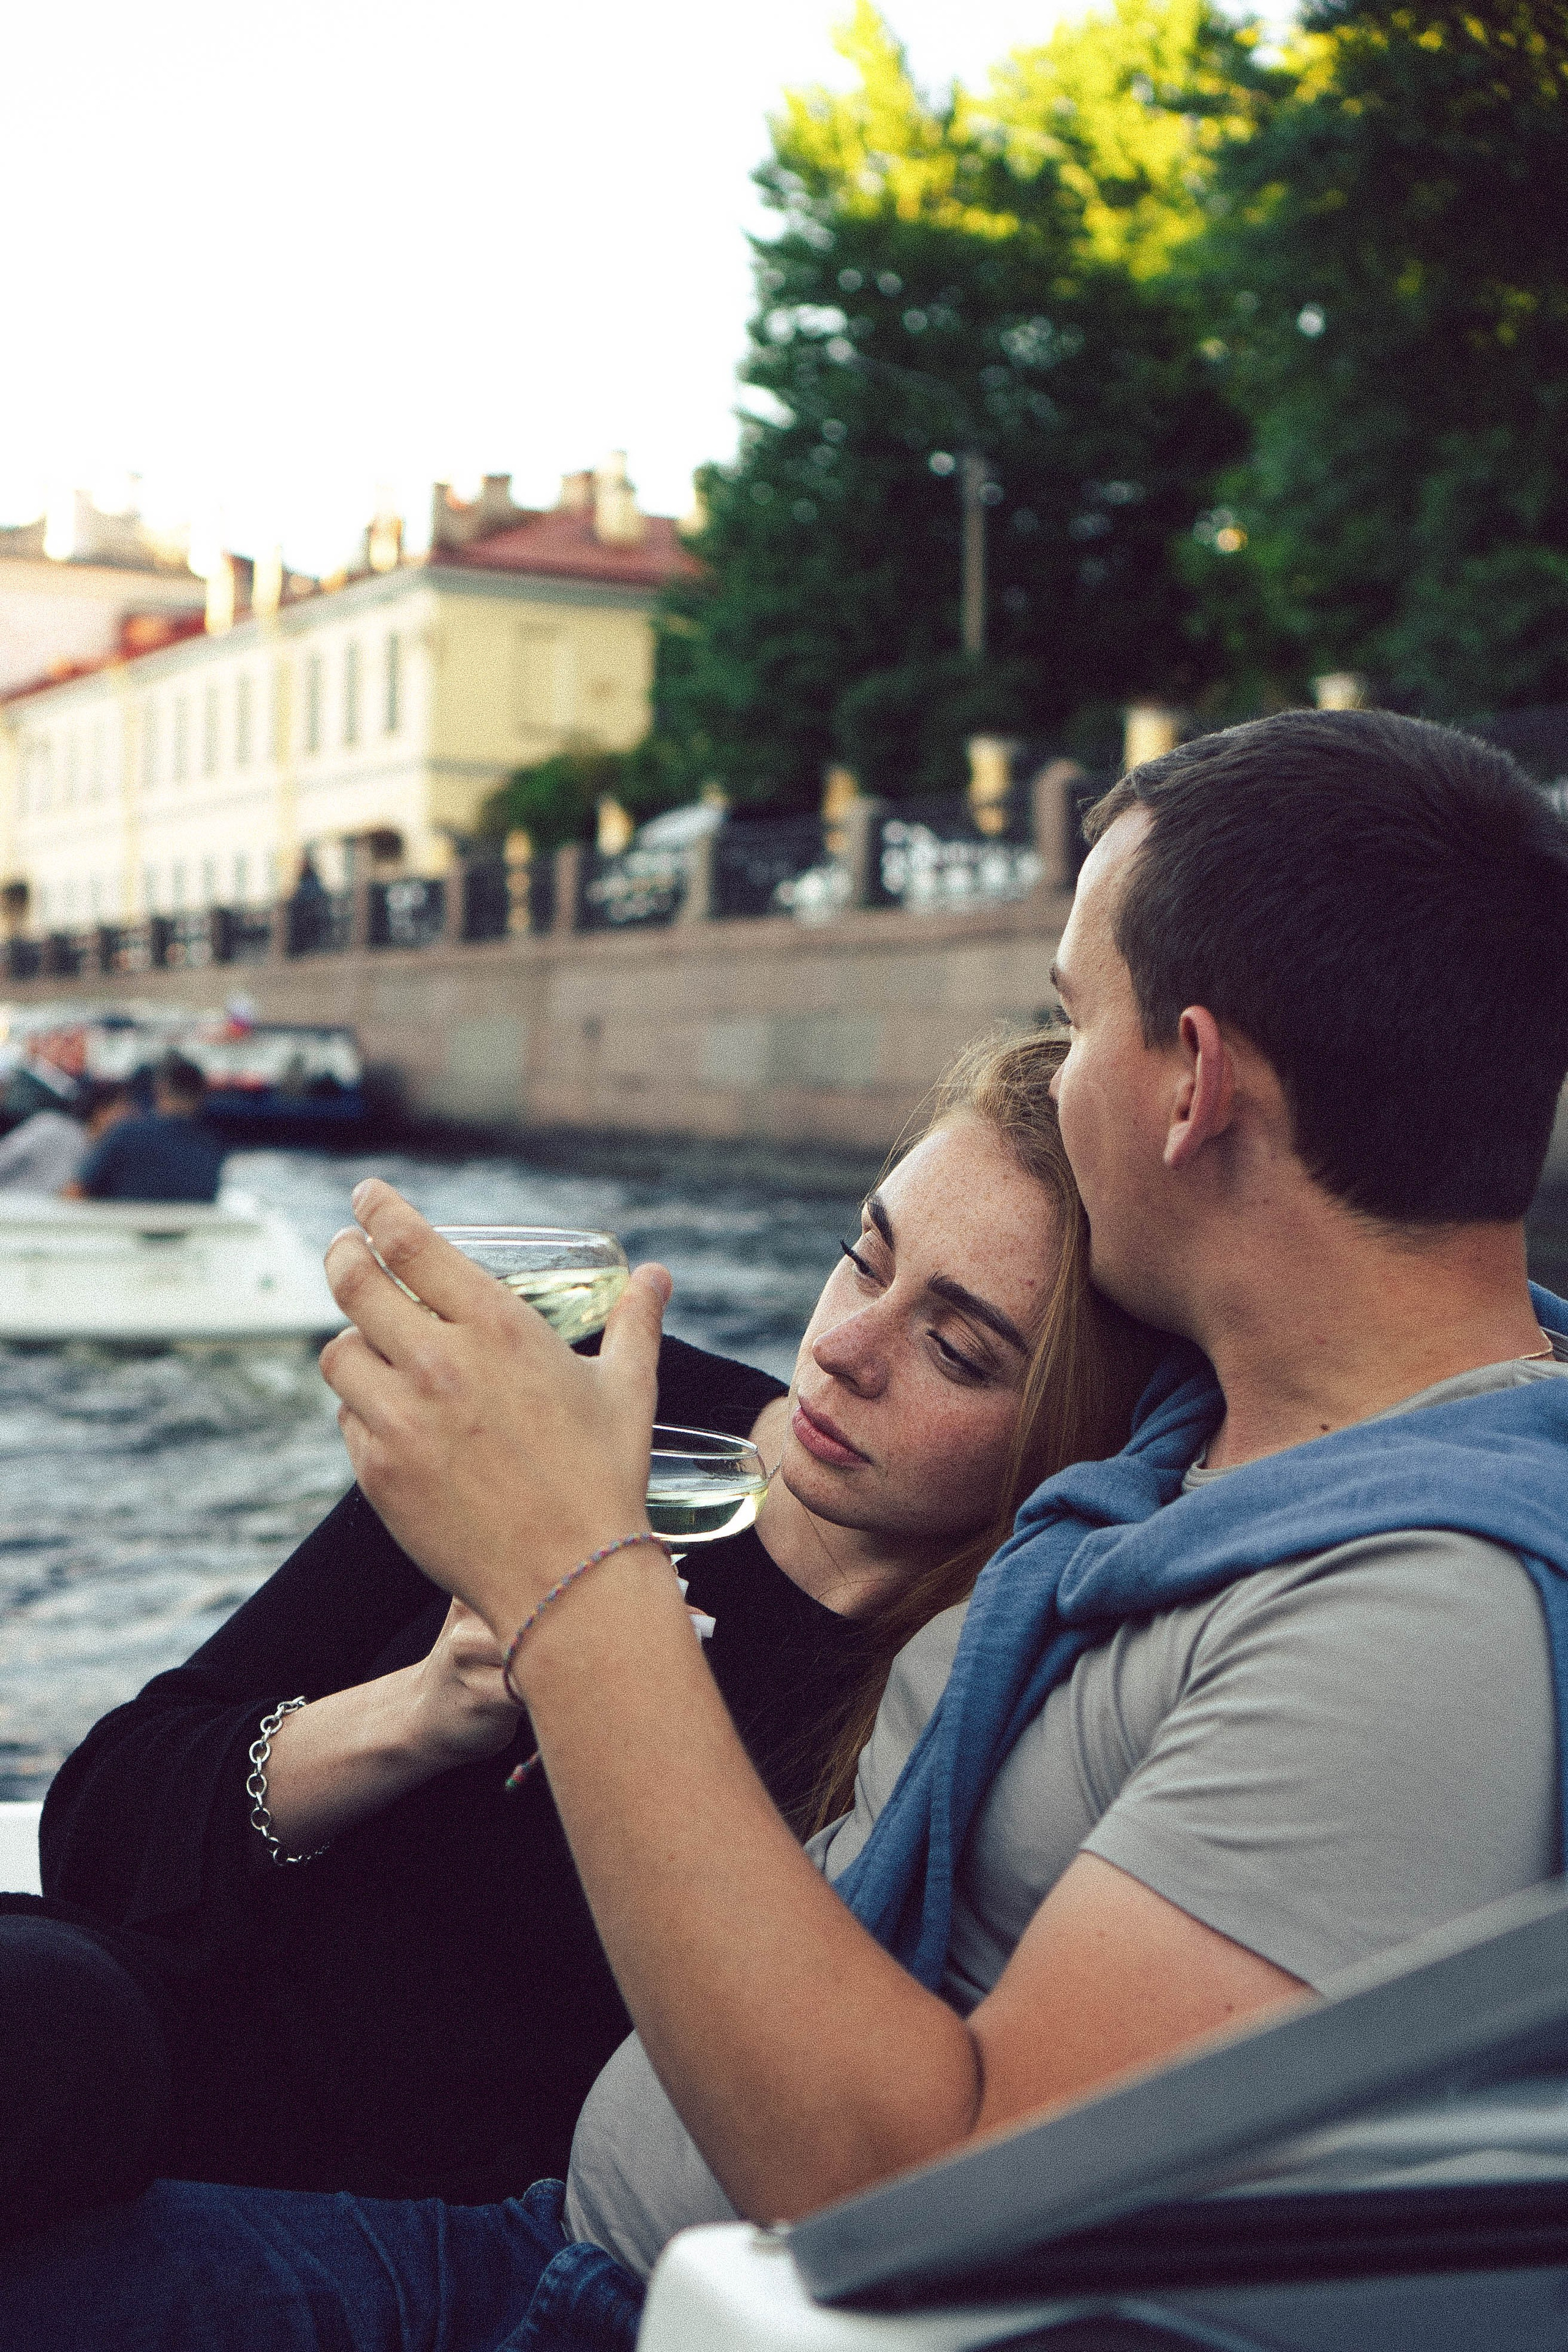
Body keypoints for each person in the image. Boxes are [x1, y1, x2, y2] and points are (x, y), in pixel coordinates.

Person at [10, 707, 1568, 2352]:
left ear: (1192, 1083)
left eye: (1072, 1016)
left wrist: (567, 1566)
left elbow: (931, 2194)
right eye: (863, 1257)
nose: (848, 1351)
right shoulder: (1225, 1452)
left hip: (588, 2283)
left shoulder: (1410, 1610)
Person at [1, 1031, 1158, 2233]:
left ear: (1079, 1429)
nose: (839, 1349)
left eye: (957, 1351)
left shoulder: (977, 1695)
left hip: (431, 2241)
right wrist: (420, 1714)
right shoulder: (575, 1414)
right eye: (864, 1261)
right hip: (149, 2050)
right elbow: (104, 1823)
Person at [64, 1054, 226, 1204]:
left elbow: (75, 1193)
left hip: (124, 1225)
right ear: (202, 1094)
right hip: (193, 1225)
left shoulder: (126, 1134)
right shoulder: (215, 1143)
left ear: (160, 1088)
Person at [0, 1079, 130, 1195]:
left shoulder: (104, 1152)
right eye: (123, 1110)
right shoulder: (51, 1127)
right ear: (101, 1111)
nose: (130, 1117)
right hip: (14, 1208)